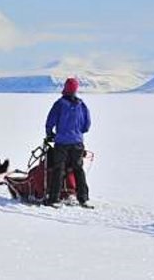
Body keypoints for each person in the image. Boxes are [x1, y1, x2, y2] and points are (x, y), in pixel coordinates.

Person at [44, 77, 92, 209]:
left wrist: (50, 134)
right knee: (78, 169)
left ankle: (54, 198)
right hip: (77, 143)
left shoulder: (59, 104)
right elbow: (87, 125)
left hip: (62, 143)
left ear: (65, 88)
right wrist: (77, 132)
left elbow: (50, 122)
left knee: (59, 169)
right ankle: (83, 198)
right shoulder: (81, 105)